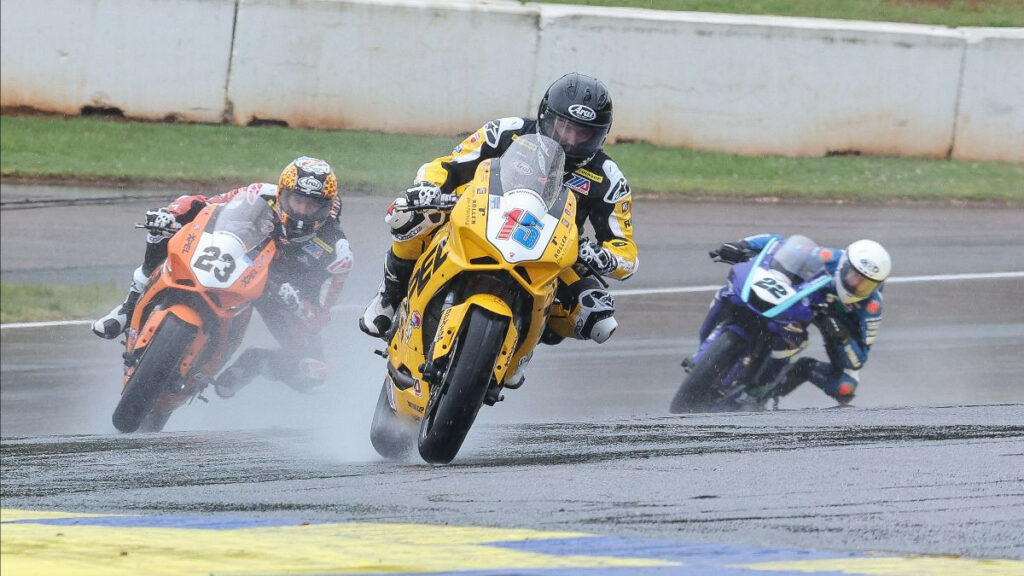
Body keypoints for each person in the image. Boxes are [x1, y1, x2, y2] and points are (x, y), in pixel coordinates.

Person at [360, 73, 638, 358]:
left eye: (584, 134)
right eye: (564, 127)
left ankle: (522, 349)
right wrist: (427, 188)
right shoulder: (507, 131)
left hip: (549, 251)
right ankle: (389, 296)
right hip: (480, 218)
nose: (571, 140)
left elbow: (626, 250)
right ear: (545, 116)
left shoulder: (609, 179)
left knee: (596, 313)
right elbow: (448, 165)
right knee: (411, 215)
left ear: (601, 135)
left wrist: (605, 257)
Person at [92, 157, 354, 398]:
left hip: (278, 295)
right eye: (296, 200)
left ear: (326, 208)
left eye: (311, 205)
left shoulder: (337, 252)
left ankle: (255, 363)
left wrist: (297, 302)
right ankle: (128, 308)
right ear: (281, 193)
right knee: (163, 233)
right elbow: (204, 204)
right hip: (236, 261)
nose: (302, 211)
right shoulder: (259, 194)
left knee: (313, 372)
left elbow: (320, 317)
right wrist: (171, 213)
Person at [705, 234, 892, 405]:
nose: (857, 285)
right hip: (803, 301)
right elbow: (779, 243)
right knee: (739, 294)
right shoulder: (829, 258)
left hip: (834, 324)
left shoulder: (871, 307)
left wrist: (840, 334)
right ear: (844, 265)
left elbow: (858, 360)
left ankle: (760, 392)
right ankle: (712, 341)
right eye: (854, 275)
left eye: (866, 284)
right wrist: (743, 245)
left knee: (845, 385)